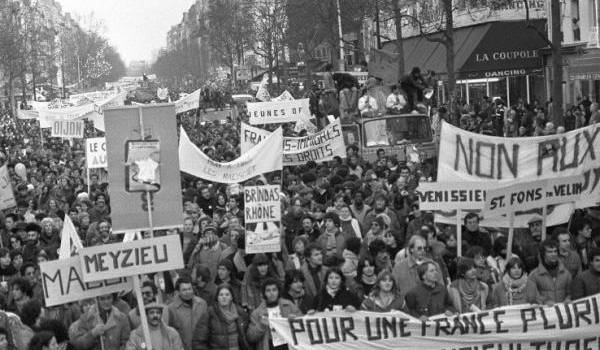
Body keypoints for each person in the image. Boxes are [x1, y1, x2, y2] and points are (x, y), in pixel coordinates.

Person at [247, 278, 300, 350]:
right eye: (268, 290)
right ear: (264, 293)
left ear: (278, 291)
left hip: (288, 344)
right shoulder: (257, 313)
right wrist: (261, 325)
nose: (271, 293)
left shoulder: (289, 305)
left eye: (274, 290)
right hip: (270, 346)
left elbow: (303, 326)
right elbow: (250, 338)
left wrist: (295, 321)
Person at [193, 284, 250, 350]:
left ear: (231, 297)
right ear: (217, 297)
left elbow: (247, 338)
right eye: (221, 295)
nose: (224, 297)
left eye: (227, 294)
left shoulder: (241, 313)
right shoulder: (209, 313)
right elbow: (198, 341)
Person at [392, 235, 444, 302]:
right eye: (419, 248)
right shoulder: (399, 268)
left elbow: (441, 289)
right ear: (411, 249)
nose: (423, 251)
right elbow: (393, 290)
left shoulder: (434, 265)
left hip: (430, 306)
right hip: (406, 307)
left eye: (424, 248)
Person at [167, 277, 208, 350]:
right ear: (178, 292)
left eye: (189, 289)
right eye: (184, 290)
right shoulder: (171, 309)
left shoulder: (202, 303)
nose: (188, 292)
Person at [529, 239, 572, 305]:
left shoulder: (566, 273)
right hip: (545, 313)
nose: (553, 254)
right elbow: (532, 297)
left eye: (555, 251)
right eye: (550, 252)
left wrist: (568, 299)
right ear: (543, 254)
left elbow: (570, 293)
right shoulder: (534, 275)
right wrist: (545, 302)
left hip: (562, 312)